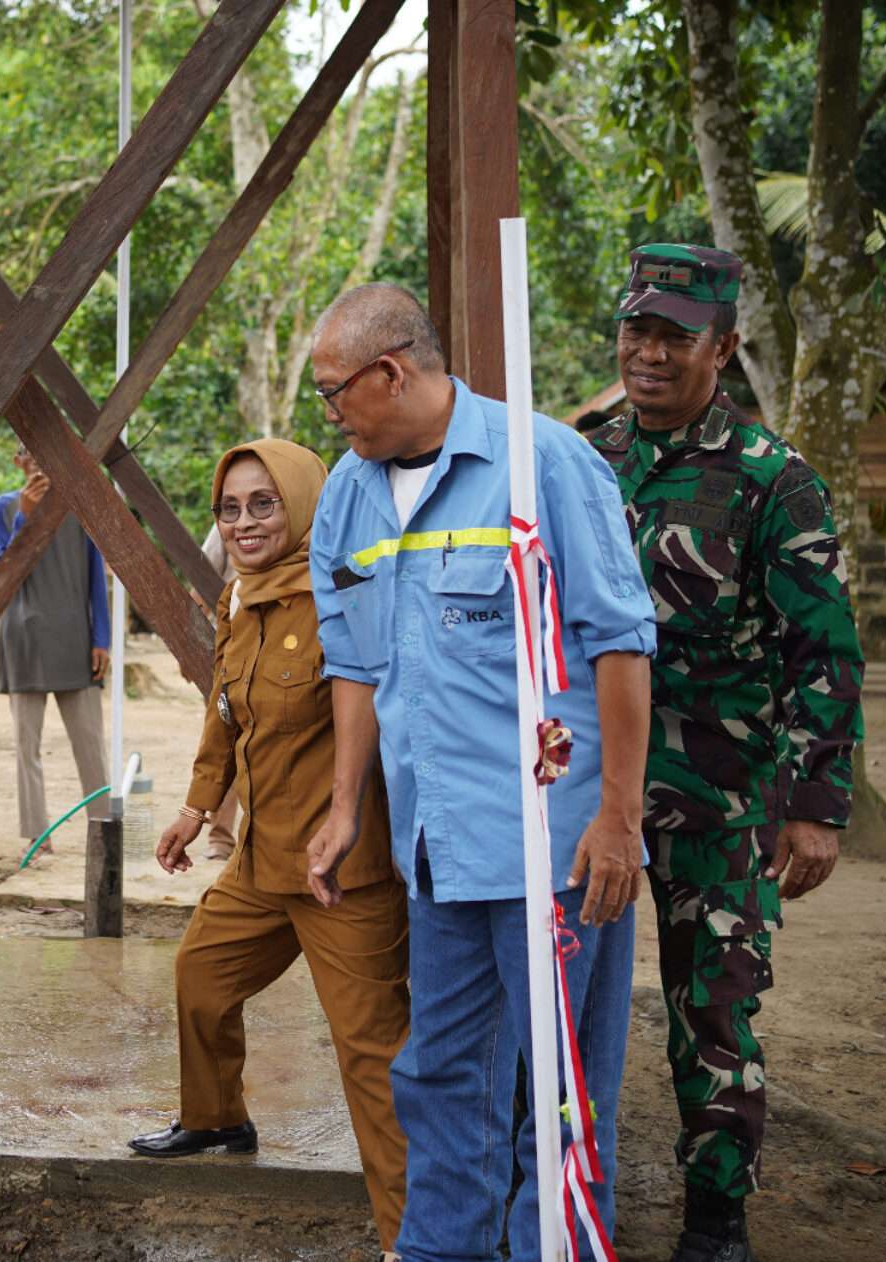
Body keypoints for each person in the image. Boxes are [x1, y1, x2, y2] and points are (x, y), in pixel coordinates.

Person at [304, 283, 656, 1261]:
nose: (328, 412)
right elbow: (356, 662)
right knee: (442, 1075)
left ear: (392, 371)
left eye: (335, 392)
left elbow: (623, 645)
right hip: (438, 846)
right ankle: (442, 1249)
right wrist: (344, 808)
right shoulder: (350, 493)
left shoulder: (541, 465)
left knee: (560, 1084)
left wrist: (619, 818)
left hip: (553, 847)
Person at [586, 244, 864, 1262]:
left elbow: (824, 647)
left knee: (714, 1008)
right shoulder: (585, 458)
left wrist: (817, 801)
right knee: (568, 998)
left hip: (723, 797)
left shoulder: (772, 478)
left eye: (675, 335)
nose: (650, 353)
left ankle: (715, 1218)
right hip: (592, 790)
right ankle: (561, 1187)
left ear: (724, 345)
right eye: (636, 329)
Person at [134, 439, 411, 1256]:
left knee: (371, 1054)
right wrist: (196, 806)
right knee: (201, 978)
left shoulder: (348, 592)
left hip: (343, 873)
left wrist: (350, 813)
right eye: (230, 507)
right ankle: (216, 1117)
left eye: (264, 503)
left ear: (305, 506)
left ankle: (412, 1237)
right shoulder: (238, 599)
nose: (246, 521)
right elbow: (227, 712)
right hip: (261, 861)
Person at [0, 446, 111, 858]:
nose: (39, 458)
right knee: (27, 746)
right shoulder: (3, 509)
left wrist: (103, 638)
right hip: (23, 640)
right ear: (17, 460)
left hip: (77, 638)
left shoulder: (81, 507)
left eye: (43, 449)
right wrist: (26, 515)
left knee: (91, 743)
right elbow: (5, 573)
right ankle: (37, 838)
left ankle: (103, 832)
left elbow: (97, 574)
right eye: (28, 450)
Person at [196, 521, 242, 860]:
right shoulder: (229, 522)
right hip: (231, 640)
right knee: (225, 738)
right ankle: (221, 837)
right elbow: (201, 575)